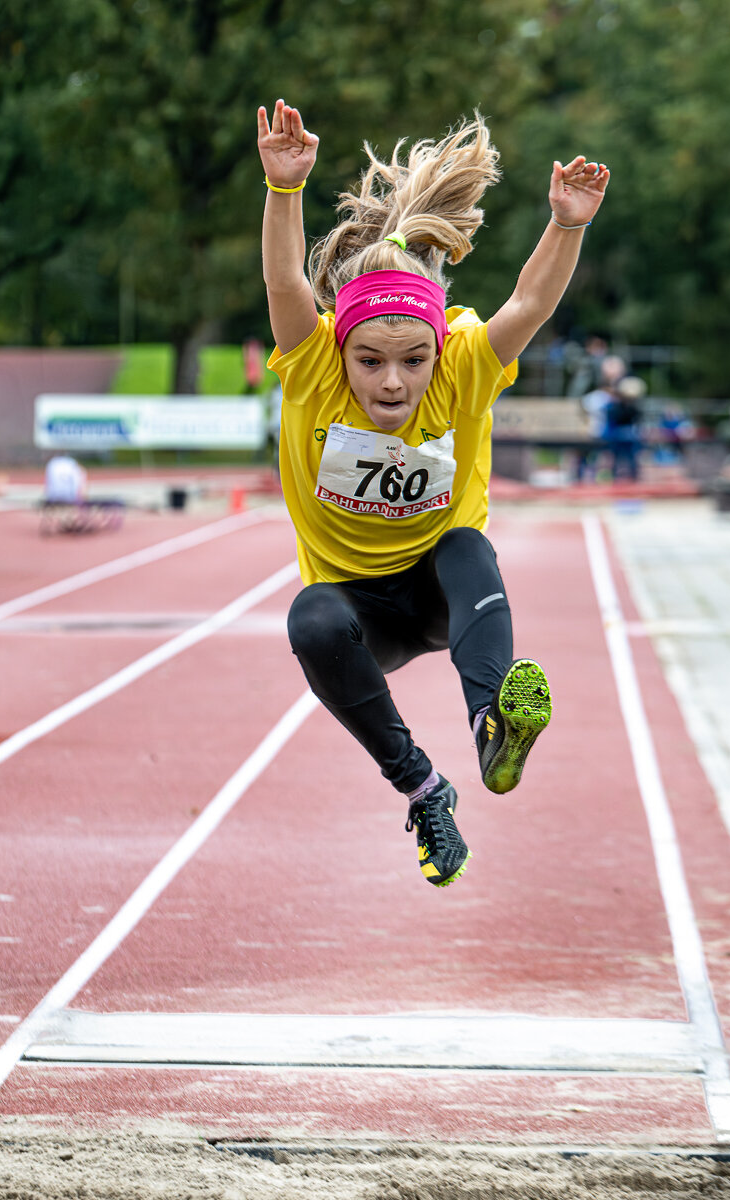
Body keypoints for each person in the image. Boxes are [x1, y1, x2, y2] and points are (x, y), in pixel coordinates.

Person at [257, 98, 609, 887]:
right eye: (371, 361)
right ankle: (422, 787)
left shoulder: (465, 364)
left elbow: (528, 305)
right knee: (308, 617)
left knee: (464, 544)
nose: (392, 381)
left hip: (446, 595)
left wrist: (567, 224)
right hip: (360, 612)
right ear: (338, 350)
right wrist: (285, 189)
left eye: (413, 359)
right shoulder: (310, 368)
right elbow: (285, 281)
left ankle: (491, 724)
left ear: (437, 345)